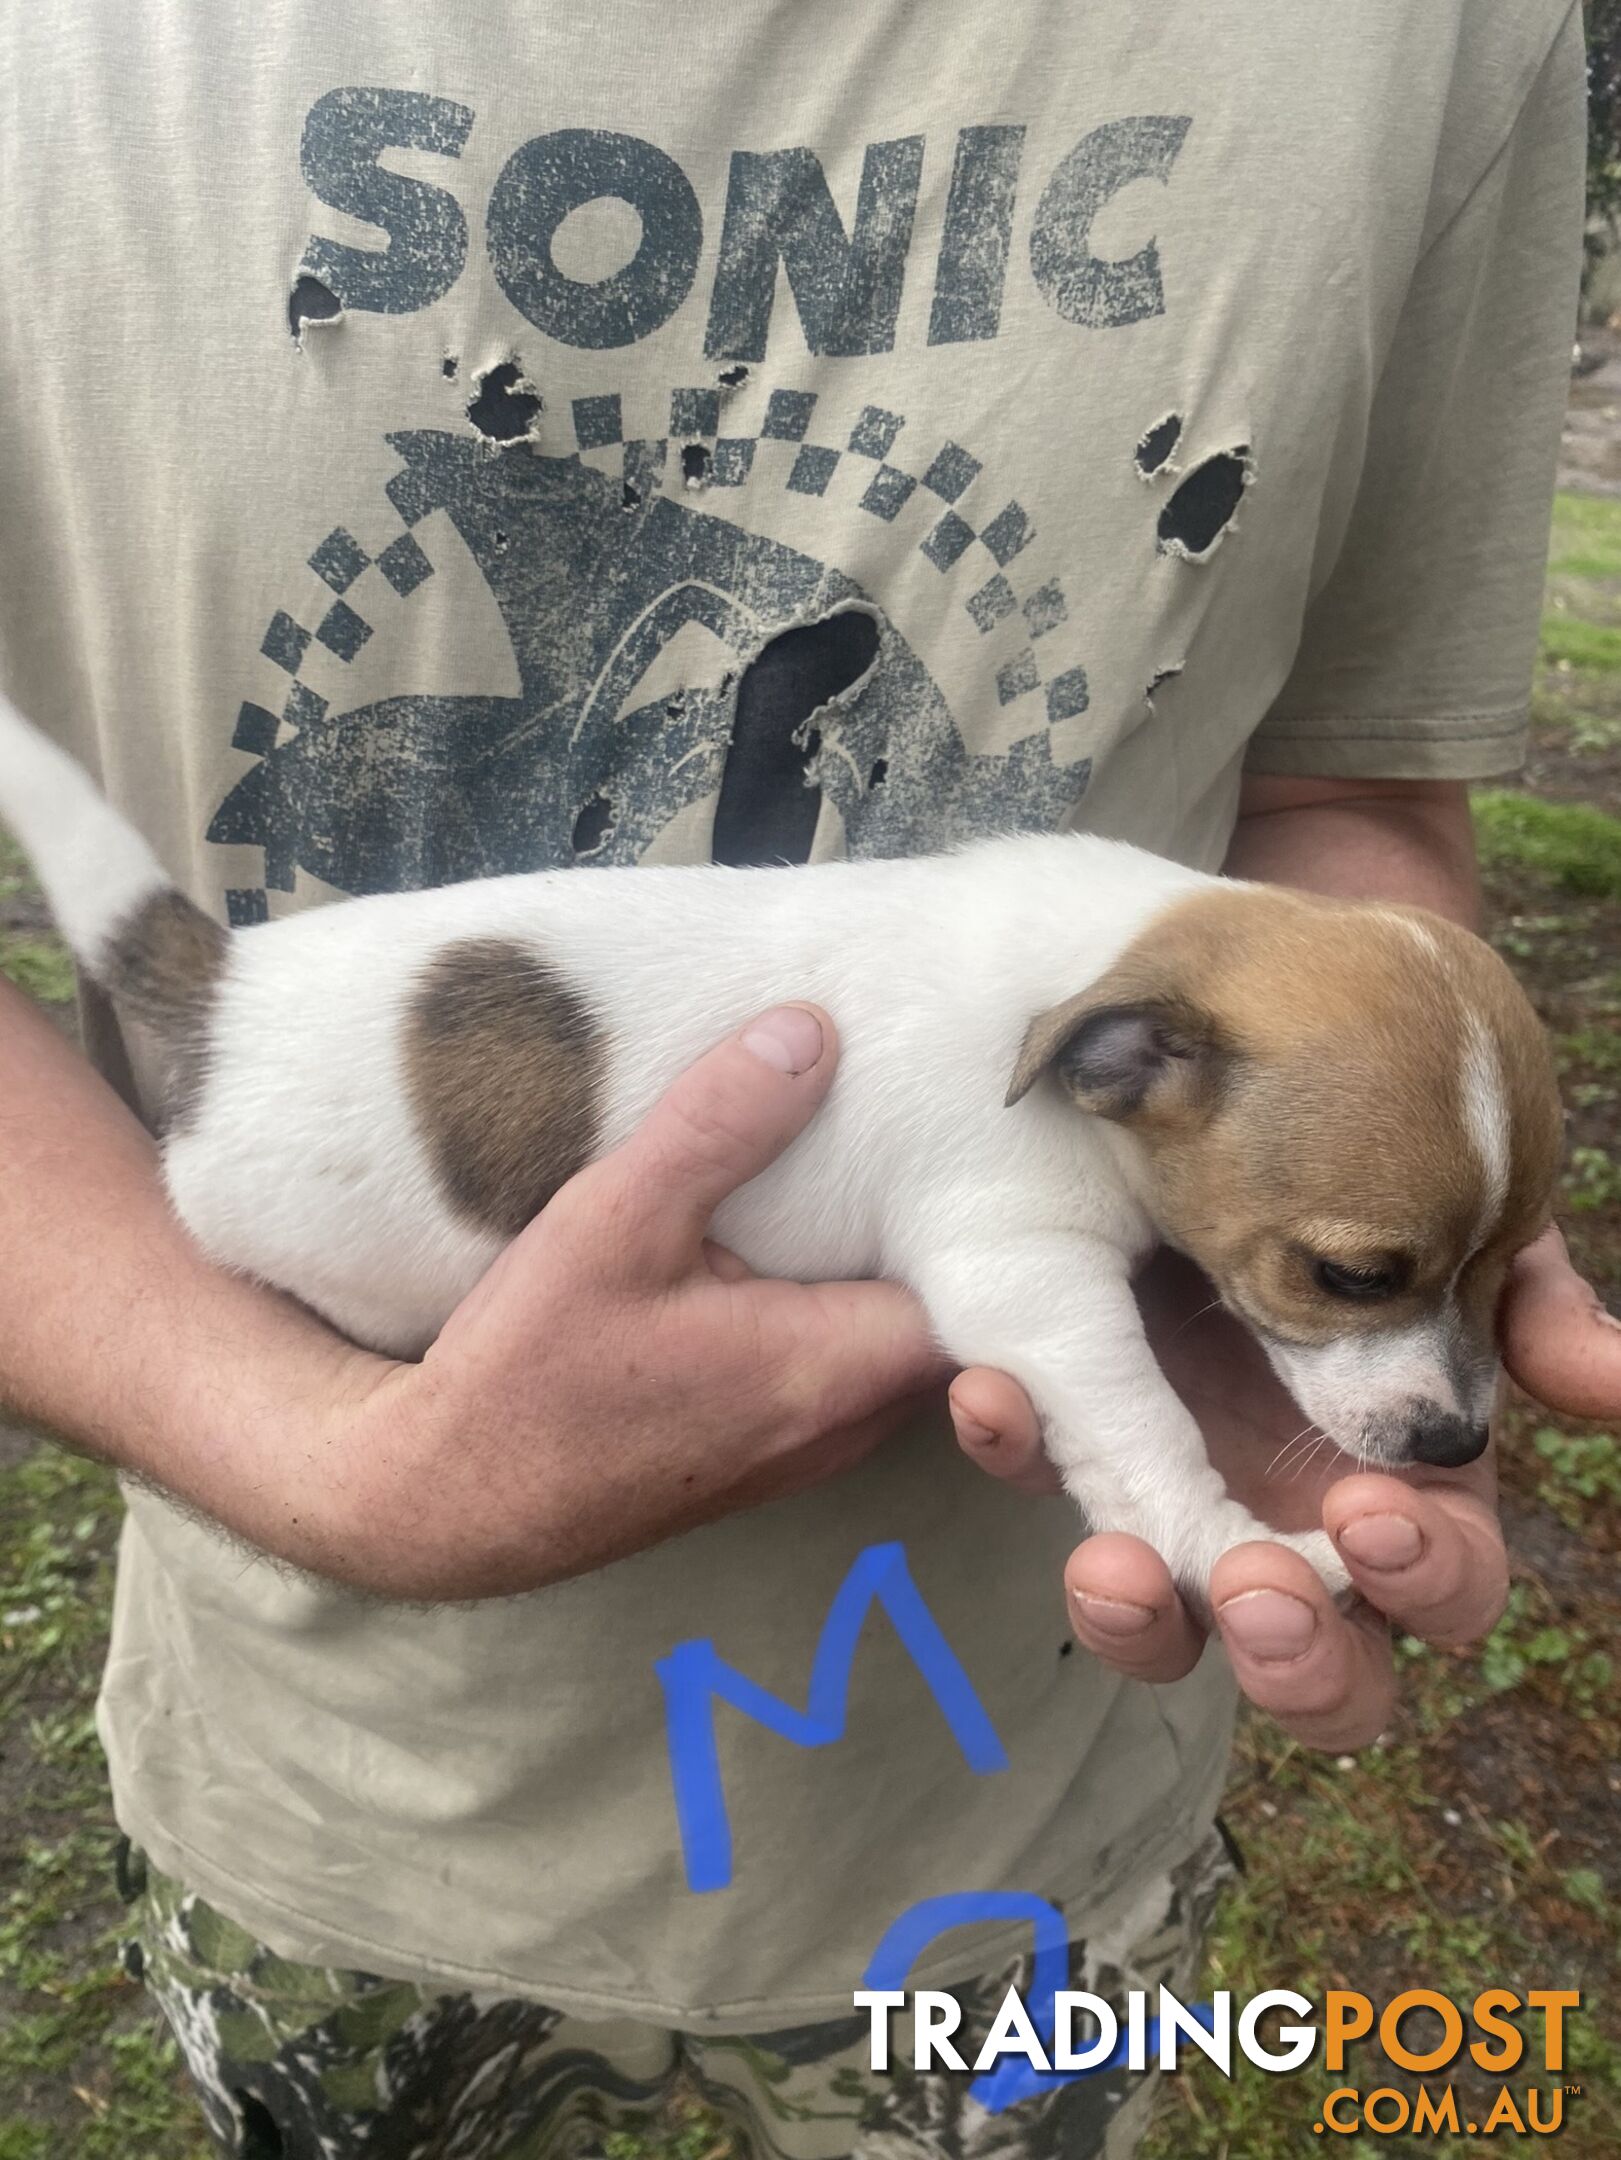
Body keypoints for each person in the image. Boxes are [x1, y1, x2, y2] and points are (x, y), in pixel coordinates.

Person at [1, 4, 1616, 2155]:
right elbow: (1027, 1271)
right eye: (1367, 1275)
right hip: (356, 1796)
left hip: (1011, 1826)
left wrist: (1325, 1231)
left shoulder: (1428, 39)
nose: (1444, 1385)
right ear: (1105, 1064)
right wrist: (323, 1453)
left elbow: (1356, 817)